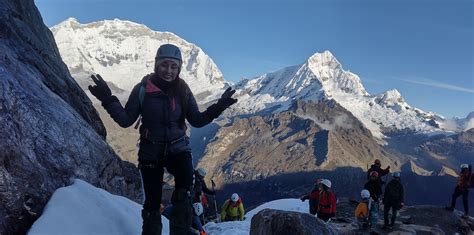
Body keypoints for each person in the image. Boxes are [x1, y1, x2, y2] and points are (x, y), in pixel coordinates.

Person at [88, 44, 237, 235]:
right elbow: (126, 120)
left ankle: (180, 232)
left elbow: (197, 120)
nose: (169, 71)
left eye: (173, 66)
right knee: (152, 203)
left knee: (185, 193)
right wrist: (107, 98)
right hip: (151, 151)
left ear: (179, 68)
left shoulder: (183, 90)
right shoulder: (143, 89)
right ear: (156, 65)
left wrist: (220, 106)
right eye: (164, 65)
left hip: (178, 149)